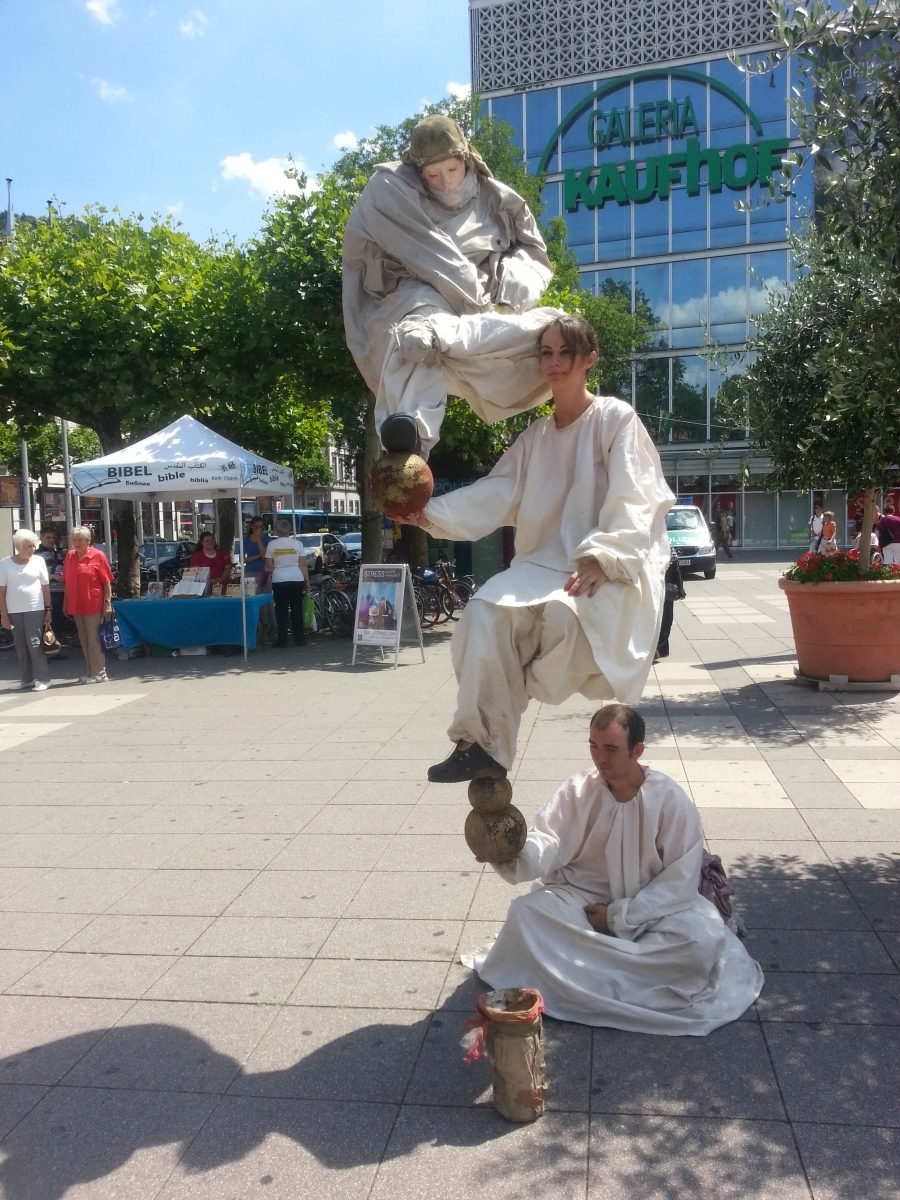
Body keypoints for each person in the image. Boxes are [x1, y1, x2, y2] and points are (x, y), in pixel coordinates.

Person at [403, 313, 673, 783]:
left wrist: (604, 556)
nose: (553, 362)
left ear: (588, 359)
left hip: (597, 563)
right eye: (545, 352)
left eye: (564, 352)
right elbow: (497, 492)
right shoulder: (535, 437)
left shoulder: (614, 418)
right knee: (482, 614)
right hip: (538, 566)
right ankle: (480, 745)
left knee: (564, 618)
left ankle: (508, 689)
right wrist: (429, 514)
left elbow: (635, 494)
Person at [462, 704, 764, 1035]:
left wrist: (619, 917)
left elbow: (679, 882)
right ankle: (613, 976)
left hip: (654, 907)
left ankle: (584, 977)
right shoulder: (578, 790)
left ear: (638, 750)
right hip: (582, 897)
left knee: (701, 942)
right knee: (524, 914)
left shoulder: (670, 800)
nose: (599, 758)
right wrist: (508, 852)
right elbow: (547, 840)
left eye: (610, 749)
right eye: (593, 746)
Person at [343, 115, 563, 458]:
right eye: (432, 175)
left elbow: (533, 256)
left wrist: (511, 288)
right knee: (413, 337)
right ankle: (411, 433)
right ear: (418, 172)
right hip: (417, 293)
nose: (444, 183)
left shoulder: (498, 199)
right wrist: (477, 307)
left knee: (559, 332)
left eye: (451, 170)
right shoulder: (389, 190)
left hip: (486, 306)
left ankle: (572, 407)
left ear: (466, 160)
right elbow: (433, 258)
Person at [0, 530, 53, 692]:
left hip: (34, 608)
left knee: (35, 644)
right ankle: (26, 679)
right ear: (18, 547)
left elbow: (45, 587)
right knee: (21, 646)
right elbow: (1, 591)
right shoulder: (5, 563)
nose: (32, 549)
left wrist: (48, 610)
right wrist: (4, 615)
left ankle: (44, 679)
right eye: (28, 546)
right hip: (14, 610)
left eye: (33, 546)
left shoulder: (38, 561)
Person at [62, 525, 114, 684]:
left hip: (93, 603)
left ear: (88, 541)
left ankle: (100, 673)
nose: (77, 543)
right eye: (74, 540)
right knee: (83, 639)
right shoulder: (70, 556)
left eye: (80, 540)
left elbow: (106, 582)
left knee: (93, 639)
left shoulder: (98, 556)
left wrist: (107, 602)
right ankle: (91, 672)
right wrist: (65, 603)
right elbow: (67, 582)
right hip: (75, 603)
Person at [264, 519, 310, 648]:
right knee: (297, 609)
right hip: (296, 578)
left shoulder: (272, 545)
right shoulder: (298, 544)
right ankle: (299, 639)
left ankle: (282, 640)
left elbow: (268, 566)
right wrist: (306, 581)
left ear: (277, 531)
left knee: (281, 609)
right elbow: (302, 564)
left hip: (279, 579)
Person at [242, 516, 274, 643]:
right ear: (251, 527)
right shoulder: (246, 540)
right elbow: (243, 559)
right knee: (251, 599)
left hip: (263, 571)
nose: (259, 529)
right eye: (256, 527)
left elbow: (265, 554)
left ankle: (266, 628)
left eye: (261, 527)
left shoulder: (266, 539)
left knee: (265, 600)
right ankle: (253, 628)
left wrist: (259, 539)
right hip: (249, 572)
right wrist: (257, 557)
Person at [34, 528, 67, 641]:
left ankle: (55, 649)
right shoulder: (36, 556)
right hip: (47, 593)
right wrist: (53, 577)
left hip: (60, 592)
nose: (51, 540)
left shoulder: (57, 554)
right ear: (41, 538)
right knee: (48, 622)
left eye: (53, 537)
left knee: (58, 621)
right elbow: (34, 576)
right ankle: (48, 650)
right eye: (48, 537)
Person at [655, 546, 685, 662]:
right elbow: (676, 571)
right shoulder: (667, 547)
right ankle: (658, 647)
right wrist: (680, 588)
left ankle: (654, 648)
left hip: (649, 590)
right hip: (665, 590)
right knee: (666, 619)